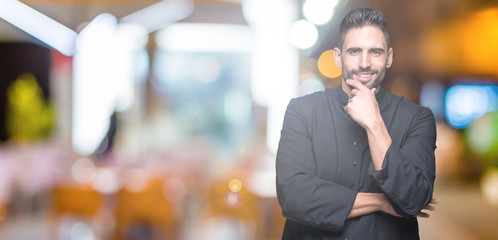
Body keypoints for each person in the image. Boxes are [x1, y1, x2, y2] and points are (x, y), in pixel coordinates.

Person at [275, 8, 438, 239]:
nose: (364, 62)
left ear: (389, 57)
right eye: (354, 51)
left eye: (375, 52)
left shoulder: (418, 118)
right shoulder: (302, 111)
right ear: (338, 56)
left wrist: (374, 123)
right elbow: (293, 196)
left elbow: (413, 198)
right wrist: (382, 201)